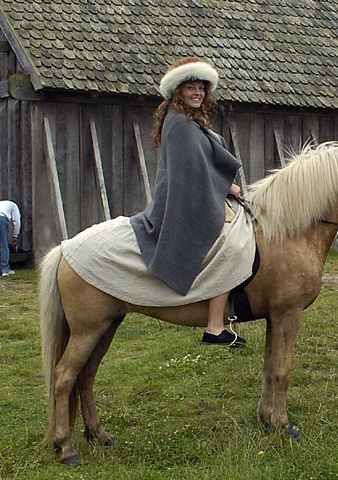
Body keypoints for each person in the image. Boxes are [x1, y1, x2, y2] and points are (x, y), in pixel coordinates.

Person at [129, 56, 246, 346]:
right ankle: (214, 327)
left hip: (199, 194)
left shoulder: (187, 120)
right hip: (184, 202)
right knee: (230, 247)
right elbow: (189, 174)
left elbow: (200, 164)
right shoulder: (179, 123)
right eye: (191, 87)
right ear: (178, 91)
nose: (197, 93)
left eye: (201, 88)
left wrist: (222, 184)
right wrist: (224, 188)